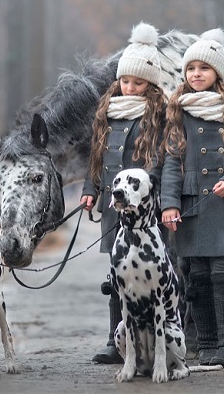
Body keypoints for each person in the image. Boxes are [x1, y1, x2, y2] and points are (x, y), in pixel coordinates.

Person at [160, 28, 224, 368]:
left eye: (204, 68)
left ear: (217, 72)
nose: (196, 74)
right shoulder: (178, 110)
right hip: (191, 205)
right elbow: (172, 163)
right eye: (191, 69)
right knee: (197, 277)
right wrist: (170, 204)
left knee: (223, 273)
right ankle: (205, 344)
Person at [80, 22, 167, 364]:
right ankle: (117, 340)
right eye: (125, 81)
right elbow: (97, 159)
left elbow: (161, 160)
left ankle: (162, 337)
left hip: (145, 212)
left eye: (138, 82)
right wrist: (91, 190)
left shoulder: (158, 116)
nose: (130, 88)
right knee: (117, 271)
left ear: (151, 85)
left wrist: (153, 198)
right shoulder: (107, 113)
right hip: (114, 209)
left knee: (152, 271)